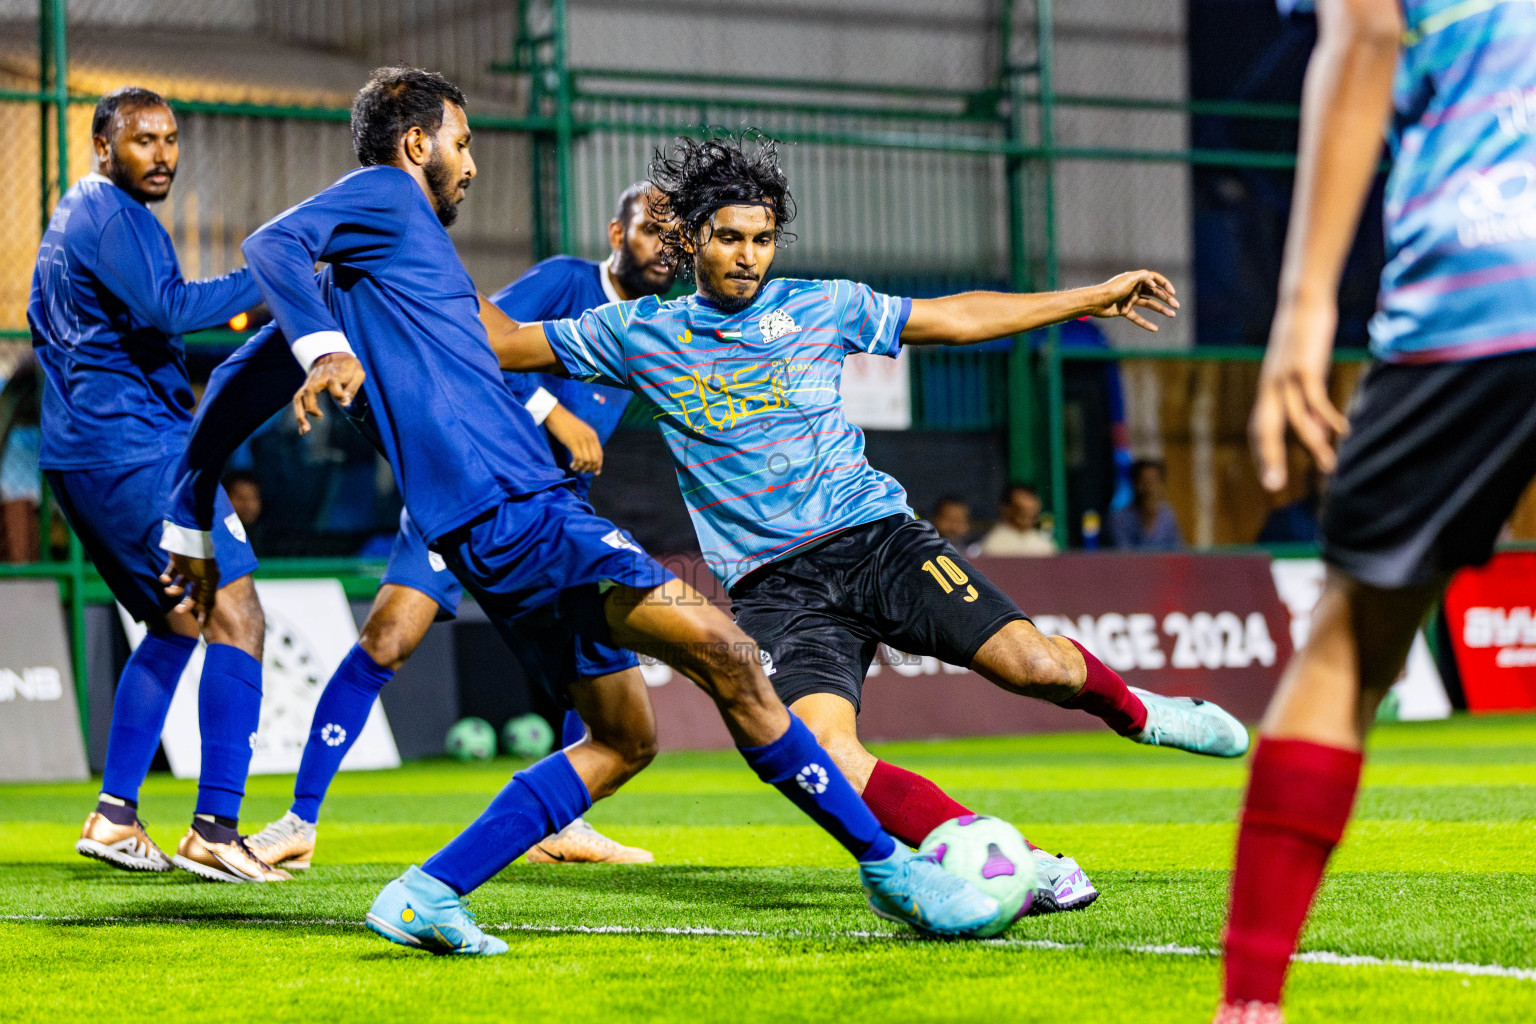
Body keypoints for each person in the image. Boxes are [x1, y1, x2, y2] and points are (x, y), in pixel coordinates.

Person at [160, 65, 1002, 953]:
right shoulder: (383, 197)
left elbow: (229, 382)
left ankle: (429, 892)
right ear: (417, 144)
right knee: (733, 659)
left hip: (486, 522)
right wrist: (325, 350)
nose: (472, 164)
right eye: (463, 142)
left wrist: (188, 513)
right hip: (518, 506)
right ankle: (895, 874)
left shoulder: (364, 273)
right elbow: (270, 244)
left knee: (623, 738)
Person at [485, 134, 1254, 915]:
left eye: (761, 239)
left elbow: (955, 319)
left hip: (878, 540)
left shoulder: (822, 304)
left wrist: (1087, 298)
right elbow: (502, 342)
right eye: (729, 239)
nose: (749, 256)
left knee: (1037, 669)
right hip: (774, 588)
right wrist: (406, 261)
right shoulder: (638, 332)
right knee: (824, 753)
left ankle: (1146, 714)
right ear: (693, 241)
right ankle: (1006, 858)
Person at [1217, 1, 1536, 1020]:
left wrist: (1305, 309)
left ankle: (1250, 1006)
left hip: (1484, 273)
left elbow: (1359, 34)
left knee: (1350, 644)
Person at [245, 181, 676, 870]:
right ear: (617, 232)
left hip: (553, 509)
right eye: (651, 229)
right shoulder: (567, 280)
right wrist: (551, 414)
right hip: (470, 488)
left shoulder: (652, 322)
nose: (665, 246)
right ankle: (298, 821)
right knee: (385, 641)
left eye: (676, 236)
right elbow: (470, 342)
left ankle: (565, 821)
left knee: (599, 645)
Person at [27, 86, 280, 882]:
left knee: (176, 623)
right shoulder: (108, 215)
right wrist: (270, 278)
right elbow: (171, 311)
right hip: (136, 454)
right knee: (238, 616)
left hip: (88, 455)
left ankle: (114, 815)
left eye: (170, 139)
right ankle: (214, 826)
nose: (163, 154)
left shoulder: (81, 214)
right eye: (143, 140)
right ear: (104, 147)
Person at [1107, 457, 1184, 550]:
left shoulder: (1167, 515)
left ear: (1163, 485)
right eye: (1144, 481)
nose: (1149, 488)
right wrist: (1146, 519)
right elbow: (1124, 557)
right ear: (1134, 484)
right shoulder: (1118, 519)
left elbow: (1178, 551)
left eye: (1154, 481)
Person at [980, 483, 1057, 557]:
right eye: (1022, 511)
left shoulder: (1042, 541)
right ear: (1006, 509)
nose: (1028, 514)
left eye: (1031, 511)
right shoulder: (994, 545)